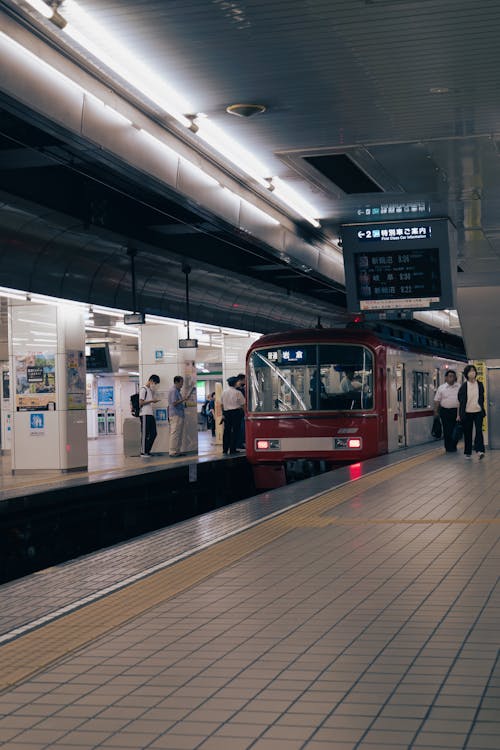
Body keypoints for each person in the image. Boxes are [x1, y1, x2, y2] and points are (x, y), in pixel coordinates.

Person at [457, 364, 486, 460]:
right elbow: (460, 401)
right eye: (470, 371)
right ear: (466, 374)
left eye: (473, 371)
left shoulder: (480, 384)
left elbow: (482, 398)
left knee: (478, 431)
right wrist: (459, 414)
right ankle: (468, 452)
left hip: (478, 411)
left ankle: (480, 450)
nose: (472, 373)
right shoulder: (464, 386)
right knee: (467, 432)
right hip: (467, 412)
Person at [434, 370, 460, 453]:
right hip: (445, 411)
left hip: (456, 411)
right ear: (446, 378)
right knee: (447, 429)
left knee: (455, 429)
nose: (451, 378)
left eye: (453, 376)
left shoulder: (459, 387)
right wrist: (436, 412)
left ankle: (454, 445)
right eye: (450, 376)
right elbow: (437, 400)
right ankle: (448, 447)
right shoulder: (441, 388)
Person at [168, 375, 194, 457]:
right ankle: (172, 451)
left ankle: (177, 450)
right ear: (176, 382)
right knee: (175, 433)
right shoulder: (173, 391)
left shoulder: (177, 391)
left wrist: (184, 401)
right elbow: (174, 403)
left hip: (179, 414)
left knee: (179, 434)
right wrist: (184, 399)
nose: (182, 384)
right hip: (175, 415)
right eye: (181, 382)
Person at [221, 376, 245, 455]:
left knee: (226, 431)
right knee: (235, 431)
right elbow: (243, 404)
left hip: (227, 413)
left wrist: (223, 414)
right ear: (235, 383)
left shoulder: (224, 392)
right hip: (236, 413)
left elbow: (221, 404)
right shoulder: (238, 393)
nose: (239, 383)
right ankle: (232, 449)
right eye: (238, 382)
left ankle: (225, 449)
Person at [139, 374, 161, 457]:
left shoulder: (149, 390)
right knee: (145, 433)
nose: (154, 385)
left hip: (150, 414)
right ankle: (143, 452)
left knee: (154, 433)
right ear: (151, 380)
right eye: (154, 383)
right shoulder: (143, 389)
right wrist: (152, 401)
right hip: (144, 414)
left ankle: (147, 450)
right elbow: (141, 402)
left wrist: (152, 400)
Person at [235, 373, 246, 449]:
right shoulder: (239, 391)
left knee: (236, 428)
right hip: (239, 412)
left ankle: (237, 443)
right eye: (245, 379)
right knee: (240, 428)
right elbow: (243, 403)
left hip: (231, 412)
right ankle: (239, 443)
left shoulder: (227, 391)